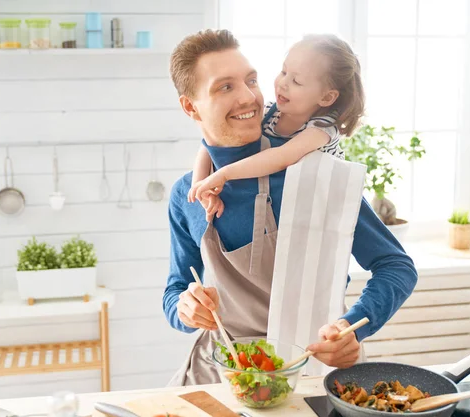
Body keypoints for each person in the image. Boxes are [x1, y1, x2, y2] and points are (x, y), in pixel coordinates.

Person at [162, 29, 417, 386]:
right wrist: (184, 308)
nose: (250, 96)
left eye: (251, 79)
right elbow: (175, 290)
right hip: (217, 374)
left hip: (309, 369)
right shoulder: (186, 194)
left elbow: (396, 267)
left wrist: (352, 328)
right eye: (225, 87)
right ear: (191, 107)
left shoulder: (317, 175)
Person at [188, 34, 356, 218]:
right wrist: (202, 186)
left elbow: (281, 157)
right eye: (284, 72)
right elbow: (209, 143)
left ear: (326, 97)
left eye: (297, 81)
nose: (283, 84)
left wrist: (224, 174)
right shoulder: (270, 111)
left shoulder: (323, 128)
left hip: (322, 210)